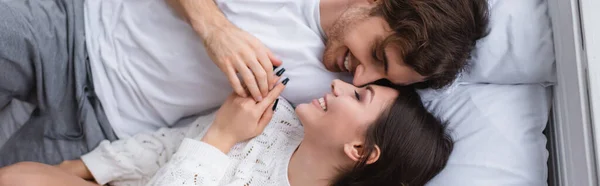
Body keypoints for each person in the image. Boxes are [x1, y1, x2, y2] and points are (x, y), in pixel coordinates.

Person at [0, 0, 488, 166]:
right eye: (376, 54)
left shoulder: (341, 101)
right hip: (71, 31)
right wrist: (216, 30)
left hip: (99, 129)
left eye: (382, 77)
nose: (358, 75)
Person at [0, 79, 453, 186]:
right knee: (20, 176)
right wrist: (83, 168)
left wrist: (220, 136)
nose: (338, 84)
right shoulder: (273, 120)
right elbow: (164, 147)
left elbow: (205, 142)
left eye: (358, 98)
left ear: (361, 150)